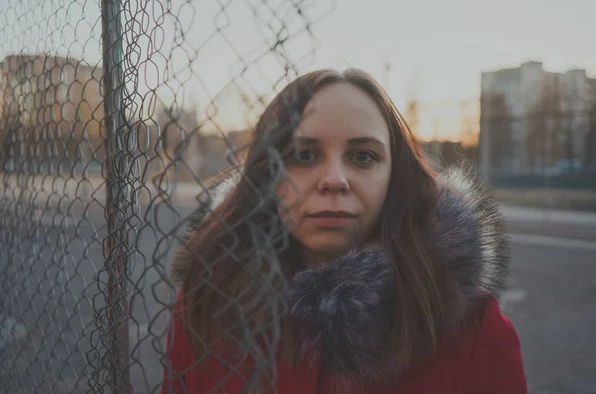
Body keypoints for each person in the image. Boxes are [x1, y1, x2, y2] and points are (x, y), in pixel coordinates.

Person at [160, 69, 527, 394]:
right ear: (266, 176)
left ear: (394, 179)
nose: (334, 180)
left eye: (363, 156)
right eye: (304, 155)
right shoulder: (206, 305)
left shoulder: (473, 329)